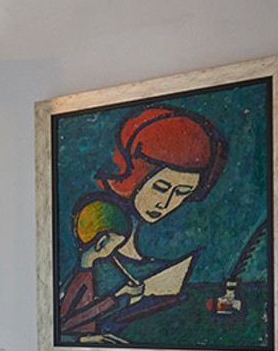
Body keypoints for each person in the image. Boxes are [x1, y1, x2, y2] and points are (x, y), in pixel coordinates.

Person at [94, 104, 227, 262]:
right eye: (160, 188)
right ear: (136, 177)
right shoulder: (99, 229)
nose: (164, 204)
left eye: (182, 192)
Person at [56, 197, 140, 342]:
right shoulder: (81, 278)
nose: (114, 252)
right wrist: (119, 293)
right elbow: (66, 323)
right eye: (114, 246)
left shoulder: (85, 274)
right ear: (101, 242)